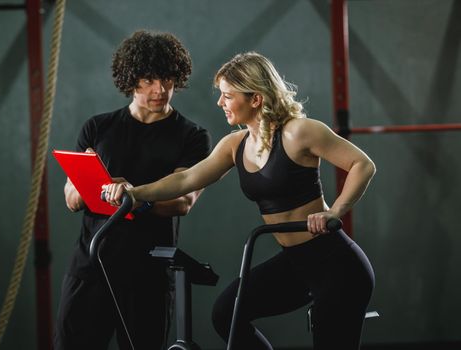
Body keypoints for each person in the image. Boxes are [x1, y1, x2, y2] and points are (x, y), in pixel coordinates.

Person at [104, 52, 376, 349]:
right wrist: (134, 192)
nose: (220, 103)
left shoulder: (299, 132)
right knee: (227, 314)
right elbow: (185, 180)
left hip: (336, 264)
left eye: (227, 96)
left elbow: (362, 165)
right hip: (294, 263)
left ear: (256, 98)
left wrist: (335, 211)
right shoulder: (235, 145)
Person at [54, 30, 211, 350]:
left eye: (167, 79)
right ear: (131, 79)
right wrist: (96, 185)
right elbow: (71, 200)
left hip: (149, 275)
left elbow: (184, 201)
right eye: (149, 79)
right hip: (91, 265)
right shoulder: (97, 128)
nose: (160, 89)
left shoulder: (192, 136)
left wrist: (133, 196)